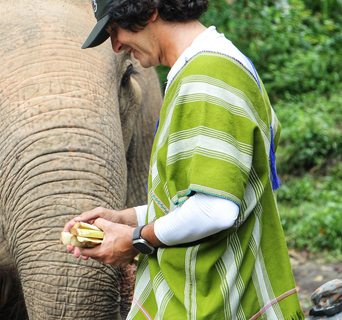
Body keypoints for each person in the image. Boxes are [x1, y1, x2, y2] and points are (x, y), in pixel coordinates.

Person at [62, 0, 305, 319]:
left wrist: (134, 240)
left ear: (149, 10)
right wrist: (130, 218)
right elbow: (200, 198)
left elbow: (215, 210)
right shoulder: (208, 67)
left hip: (218, 304)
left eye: (115, 29)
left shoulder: (208, 76)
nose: (117, 45)